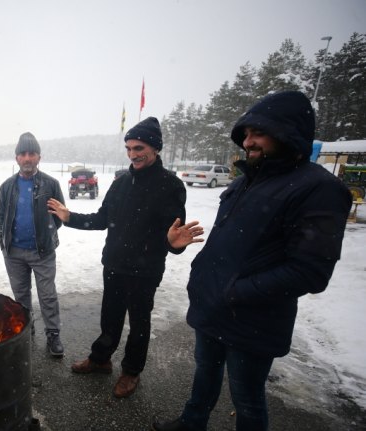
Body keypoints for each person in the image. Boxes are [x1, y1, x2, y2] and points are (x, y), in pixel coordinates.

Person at [151, 91, 352, 431]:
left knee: (247, 398)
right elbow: (231, 243)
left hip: (254, 319)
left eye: (258, 132)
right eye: (245, 134)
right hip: (213, 308)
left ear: (288, 132)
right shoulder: (245, 181)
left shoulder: (318, 188)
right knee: (205, 375)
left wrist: (235, 291)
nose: (248, 142)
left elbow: (311, 272)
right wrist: (180, 251)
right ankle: (192, 422)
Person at [47, 117, 203, 398]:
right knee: (110, 316)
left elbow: (174, 234)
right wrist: (70, 218)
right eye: (129, 148)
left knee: (139, 323)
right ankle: (101, 359)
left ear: (155, 149)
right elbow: (102, 218)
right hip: (115, 264)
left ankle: (131, 372)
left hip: (145, 269)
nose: (133, 154)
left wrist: (174, 244)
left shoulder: (170, 185)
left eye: (139, 147)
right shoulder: (121, 182)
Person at [0, 132, 66, 357]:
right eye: (23, 154)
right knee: (21, 296)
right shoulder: (7, 186)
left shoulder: (51, 184)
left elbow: (60, 217)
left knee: (47, 295)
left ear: (39, 157)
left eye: (32, 154)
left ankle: (53, 334)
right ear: (16, 158)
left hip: (43, 252)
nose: (27, 158)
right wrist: (3, 242)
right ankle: (27, 328)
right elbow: (1, 218)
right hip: (14, 253)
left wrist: (46, 237)